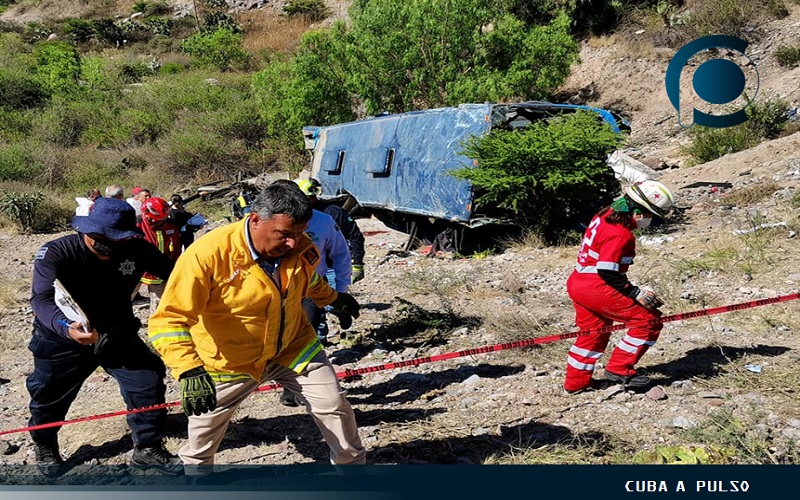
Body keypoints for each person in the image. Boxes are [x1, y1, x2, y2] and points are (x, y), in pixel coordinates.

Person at [147, 181, 366, 473]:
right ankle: (197, 478)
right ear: (254, 219)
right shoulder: (208, 255)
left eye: (298, 234)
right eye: (284, 234)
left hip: (293, 348)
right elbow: (169, 318)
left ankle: (353, 473)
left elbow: (308, 280)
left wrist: (333, 299)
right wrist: (188, 369)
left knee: (334, 406)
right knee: (203, 435)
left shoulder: (300, 247)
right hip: (230, 360)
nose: (292, 243)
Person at [28, 197, 180, 475]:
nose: (109, 246)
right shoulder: (55, 252)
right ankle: (45, 444)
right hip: (62, 339)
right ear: (86, 230)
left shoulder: (136, 248)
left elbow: (177, 275)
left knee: (147, 385)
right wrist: (66, 328)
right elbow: (41, 299)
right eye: (101, 238)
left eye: (117, 240)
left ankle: (148, 447)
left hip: (117, 335)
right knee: (48, 396)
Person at [563, 180, 675, 394]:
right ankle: (620, 369)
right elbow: (608, 272)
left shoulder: (604, 214)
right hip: (597, 285)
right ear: (640, 213)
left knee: (593, 333)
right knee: (649, 321)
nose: (651, 222)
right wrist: (636, 293)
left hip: (578, 281)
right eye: (652, 216)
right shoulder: (621, 235)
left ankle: (576, 382)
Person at [139, 197, 182, 315]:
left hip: (163, 270)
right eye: (155, 219)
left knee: (160, 302)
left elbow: (177, 248)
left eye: (162, 219)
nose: (158, 222)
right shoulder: (137, 225)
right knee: (124, 298)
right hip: (136, 269)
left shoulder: (171, 225)